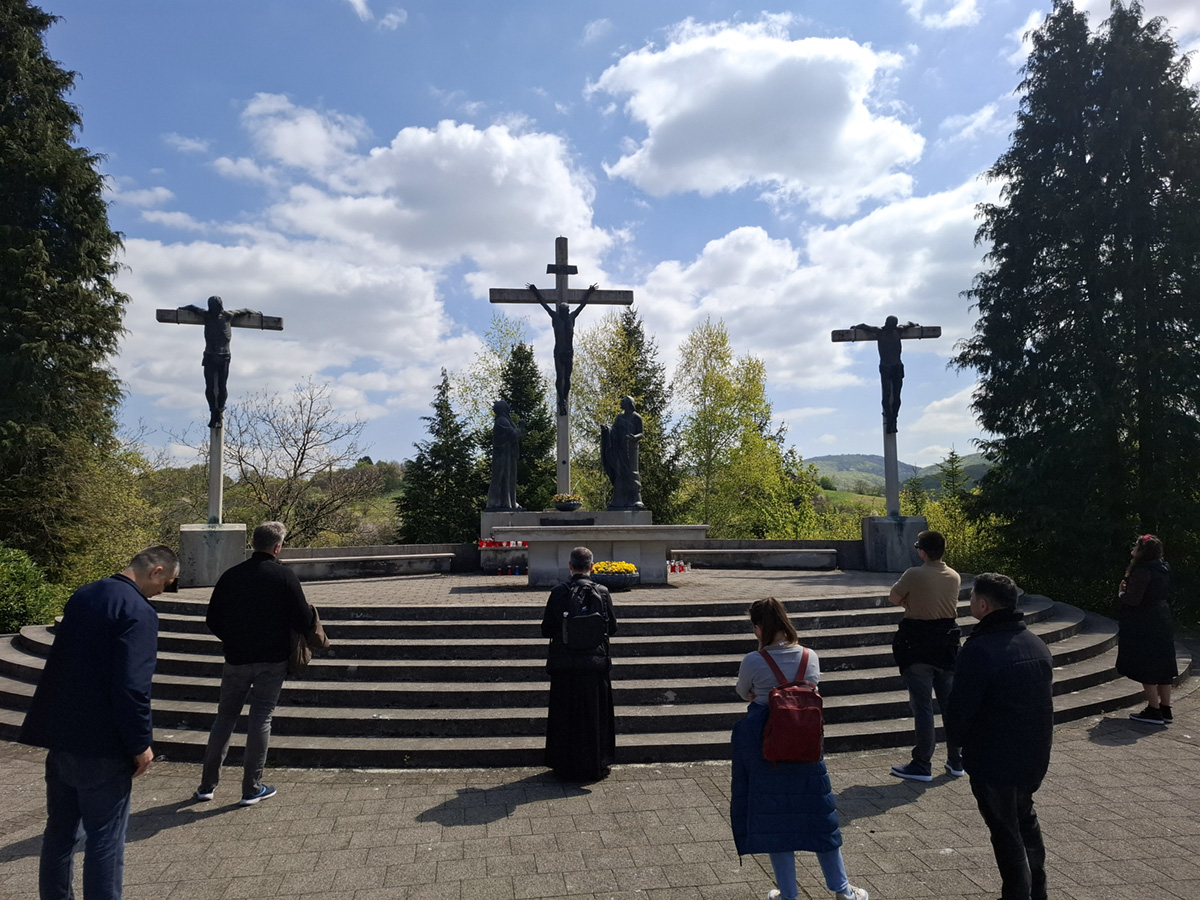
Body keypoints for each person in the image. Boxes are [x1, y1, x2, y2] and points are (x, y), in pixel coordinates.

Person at [19, 545, 180, 900]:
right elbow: (132, 686)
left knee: (59, 834)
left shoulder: (85, 594)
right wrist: (140, 743)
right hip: (104, 744)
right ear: (155, 571)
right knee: (105, 839)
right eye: (167, 583)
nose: (163, 591)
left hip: (62, 734)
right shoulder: (138, 611)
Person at [731, 598, 868, 900]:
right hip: (807, 744)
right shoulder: (809, 655)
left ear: (758, 627)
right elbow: (812, 687)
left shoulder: (754, 660)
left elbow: (743, 691)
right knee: (821, 819)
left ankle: (788, 894)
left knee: (776, 821)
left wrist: (760, 692)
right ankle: (843, 891)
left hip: (767, 746)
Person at [944, 573, 1053, 900]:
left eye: (972, 598)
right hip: (1033, 752)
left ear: (983, 604)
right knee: (1025, 820)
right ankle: (1038, 890)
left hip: (994, 756)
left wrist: (957, 742)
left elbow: (961, 707)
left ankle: (1017, 894)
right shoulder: (1035, 644)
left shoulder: (980, 649)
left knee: (1006, 831)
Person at [194, 521, 314, 805]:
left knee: (225, 718)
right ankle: (251, 788)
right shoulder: (284, 576)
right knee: (261, 718)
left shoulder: (231, 575)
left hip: (236, 658)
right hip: (272, 660)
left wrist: (233, 638)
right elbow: (304, 619)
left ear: (253, 544)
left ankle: (207, 786)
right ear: (277, 547)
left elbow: (212, 618)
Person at [887, 530, 963, 781]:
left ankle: (922, 763)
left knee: (923, 707)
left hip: (918, 644)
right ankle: (956, 760)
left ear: (922, 552)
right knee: (950, 706)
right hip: (947, 645)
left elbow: (894, 597)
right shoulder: (954, 576)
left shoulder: (914, 574)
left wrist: (909, 602)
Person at [539, 545, 618, 780]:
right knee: (594, 716)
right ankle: (596, 764)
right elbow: (612, 627)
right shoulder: (602, 591)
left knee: (564, 715)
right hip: (594, 664)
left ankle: (563, 766)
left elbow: (546, 629)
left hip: (565, 664)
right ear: (592, 566)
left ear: (570, 566)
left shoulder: (558, 592)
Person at [1117, 534, 1177, 725]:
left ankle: (1153, 709)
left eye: (1136, 545)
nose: (1133, 547)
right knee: (1163, 664)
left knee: (1147, 664)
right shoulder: (1163, 567)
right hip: (1162, 617)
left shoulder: (1143, 570)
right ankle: (1165, 708)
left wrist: (1122, 593)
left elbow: (1134, 600)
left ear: (1143, 551)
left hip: (1145, 620)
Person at [180, 295, 259, 428]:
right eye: (212, 306)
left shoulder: (228, 315)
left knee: (222, 385)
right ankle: (213, 412)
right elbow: (192, 308)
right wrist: (181, 309)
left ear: (220, 306)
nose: (214, 308)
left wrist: (256, 313)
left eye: (216, 306)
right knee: (210, 385)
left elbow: (244, 310)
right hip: (210, 355)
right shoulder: (206, 315)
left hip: (224, 356)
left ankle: (220, 412)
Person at [528, 282, 596, 416]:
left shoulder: (572, 317)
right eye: (565, 311)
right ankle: (561, 400)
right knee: (560, 377)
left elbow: (582, 305)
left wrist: (589, 292)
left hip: (569, 352)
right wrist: (535, 291)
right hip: (559, 352)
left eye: (567, 311)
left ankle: (564, 399)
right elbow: (543, 304)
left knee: (567, 378)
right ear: (561, 311)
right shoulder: (555, 317)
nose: (567, 312)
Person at [851, 315, 916, 433]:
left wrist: (914, 325)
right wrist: (856, 327)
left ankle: (893, 419)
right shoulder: (881, 331)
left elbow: (909, 324)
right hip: (888, 367)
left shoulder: (895, 330)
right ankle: (891, 420)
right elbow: (865, 326)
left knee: (895, 395)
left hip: (895, 367)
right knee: (887, 395)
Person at [600, 395, 644, 510]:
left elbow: (641, 433)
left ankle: (636, 499)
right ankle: (618, 501)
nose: (621, 403)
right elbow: (614, 430)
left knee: (632, 473)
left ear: (629, 404)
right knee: (620, 473)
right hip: (620, 449)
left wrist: (635, 437)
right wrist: (607, 429)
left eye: (623, 401)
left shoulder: (636, 417)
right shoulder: (619, 417)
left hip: (632, 449)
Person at [485, 399, 524, 511]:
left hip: (507, 455)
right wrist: (521, 427)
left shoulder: (504, 420)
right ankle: (497, 502)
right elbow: (512, 434)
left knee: (508, 478)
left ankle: (508, 501)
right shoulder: (502, 421)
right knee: (502, 477)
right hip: (503, 456)